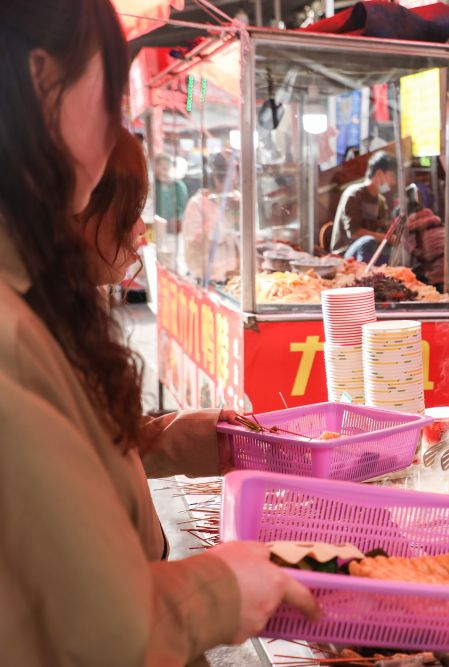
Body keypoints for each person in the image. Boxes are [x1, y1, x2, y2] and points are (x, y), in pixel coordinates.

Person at [0, 3, 319, 665]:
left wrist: (168, 439)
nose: (117, 121)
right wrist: (226, 583)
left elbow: (63, 483)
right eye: (111, 93)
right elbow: (110, 631)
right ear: (42, 82)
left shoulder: (32, 297)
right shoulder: (10, 336)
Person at [181, 151, 240, 283]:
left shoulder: (236, 199)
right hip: (207, 278)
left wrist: (236, 210)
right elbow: (195, 242)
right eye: (227, 179)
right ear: (214, 177)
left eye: (234, 181)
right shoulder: (197, 203)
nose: (232, 185)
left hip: (233, 276)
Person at [330, 151, 396, 259]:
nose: (393, 182)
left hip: (369, 252)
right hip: (345, 253)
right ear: (379, 173)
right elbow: (354, 233)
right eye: (392, 176)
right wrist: (386, 238)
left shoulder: (381, 201)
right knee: (367, 241)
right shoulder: (354, 194)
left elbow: (382, 229)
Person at [153, 153, 189, 234]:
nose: (164, 171)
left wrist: (178, 219)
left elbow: (182, 208)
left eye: (166, 168)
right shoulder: (153, 186)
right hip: (156, 229)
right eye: (161, 167)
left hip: (174, 230)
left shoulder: (179, 186)